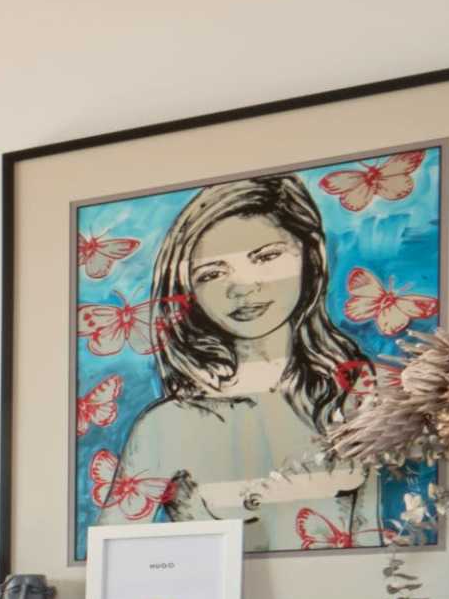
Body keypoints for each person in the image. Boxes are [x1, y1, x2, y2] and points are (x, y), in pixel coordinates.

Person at [113, 173, 375, 552]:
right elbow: (110, 560)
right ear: (189, 290)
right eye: (212, 273)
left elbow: (382, 547)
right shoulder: (164, 425)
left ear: (311, 254)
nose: (241, 287)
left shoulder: (358, 399)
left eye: (266, 257)